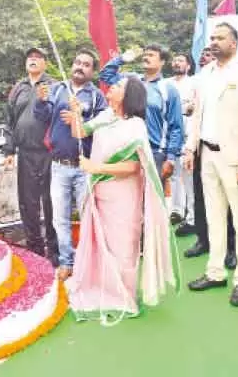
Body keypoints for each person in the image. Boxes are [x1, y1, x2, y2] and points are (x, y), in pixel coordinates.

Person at [67, 77, 178, 323]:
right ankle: (100, 288)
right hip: (99, 192)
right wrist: (76, 113)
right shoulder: (106, 116)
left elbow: (131, 166)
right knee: (99, 241)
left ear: (128, 96)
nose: (112, 87)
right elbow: (79, 132)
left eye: (118, 86)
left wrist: (94, 167)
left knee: (122, 245)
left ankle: (124, 295)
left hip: (123, 194)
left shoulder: (136, 125)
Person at [182, 23, 238, 307]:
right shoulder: (205, 75)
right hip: (207, 154)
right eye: (212, 38)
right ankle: (215, 272)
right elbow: (197, 117)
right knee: (214, 216)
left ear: (235, 42)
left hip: (234, 158)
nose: (214, 42)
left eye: (221, 38)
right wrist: (191, 148)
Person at [32, 49, 110, 282]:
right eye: (77, 62)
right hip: (58, 165)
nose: (80, 67)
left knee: (88, 216)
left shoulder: (96, 96)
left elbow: (102, 127)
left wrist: (80, 119)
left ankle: (88, 262)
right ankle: (67, 262)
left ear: (92, 71)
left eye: (86, 64)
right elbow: (43, 116)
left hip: (83, 167)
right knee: (59, 218)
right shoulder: (58, 89)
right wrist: (40, 101)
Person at [181, 46, 237, 270]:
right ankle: (203, 240)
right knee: (200, 197)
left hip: (224, 148)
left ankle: (231, 248)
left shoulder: (233, 79)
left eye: (212, 54)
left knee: (228, 201)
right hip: (199, 146)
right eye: (204, 55)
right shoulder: (198, 81)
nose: (207, 58)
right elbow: (187, 108)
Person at [2, 47, 59, 265]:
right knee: (28, 203)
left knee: (51, 202)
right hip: (25, 153)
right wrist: (9, 150)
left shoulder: (53, 86)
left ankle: (54, 252)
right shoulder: (18, 88)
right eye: (30, 58)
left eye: (38, 58)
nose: (33, 60)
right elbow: (9, 121)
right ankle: (35, 251)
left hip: (49, 154)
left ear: (45, 63)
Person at [98, 45, 185, 180]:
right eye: (145, 54)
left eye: (151, 55)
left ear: (162, 61)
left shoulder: (168, 89)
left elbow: (176, 126)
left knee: (152, 199)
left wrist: (171, 157)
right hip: (127, 150)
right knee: (128, 197)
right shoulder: (132, 81)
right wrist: (121, 59)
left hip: (154, 152)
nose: (145, 57)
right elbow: (105, 75)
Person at [168, 53, 197, 226]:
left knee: (188, 175)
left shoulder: (194, 83)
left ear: (188, 66)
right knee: (174, 173)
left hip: (188, 134)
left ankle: (192, 215)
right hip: (171, 134)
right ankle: (176, 210)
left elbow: (194, 108)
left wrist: (185, 109)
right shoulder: (166, 84)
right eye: (175, 60)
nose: (177, 63)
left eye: (181, 61)